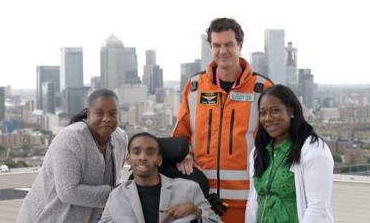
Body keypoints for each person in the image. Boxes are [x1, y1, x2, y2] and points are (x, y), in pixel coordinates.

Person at [173, 17, 273, 222]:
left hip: (247, 201)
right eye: (216, 45)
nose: (222, 51)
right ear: (210, 47)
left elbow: (275, 139)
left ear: (240, 45)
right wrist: (183, 154)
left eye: (229, 44)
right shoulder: (194, 87)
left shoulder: (262, 88)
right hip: (200, 199)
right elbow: (181, 132)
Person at [16, 89, 128, 223]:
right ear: (88, 114)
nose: (107, 119)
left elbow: (115, 180)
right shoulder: (71, 138)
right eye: (99, 113)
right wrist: (116, 193)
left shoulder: (120, 138)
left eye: (113, 113)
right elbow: (68, 192)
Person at [245, 85, 334, 223]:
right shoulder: (259, 151)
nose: (267, 118)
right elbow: (252, 202)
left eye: (275, 111)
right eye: (263, 113)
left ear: (291, 111)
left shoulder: (313, 149)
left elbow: (318, 208)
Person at [99, 132, 222, 223]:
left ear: (159, 159)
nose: (142, 157)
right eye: (136, 152)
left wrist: (196, 211)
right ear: (128, 159)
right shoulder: (117, 196)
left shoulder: (189, 189)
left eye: (150, 152)